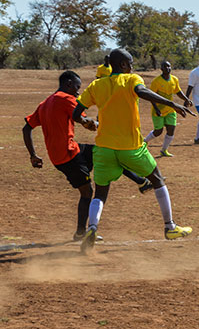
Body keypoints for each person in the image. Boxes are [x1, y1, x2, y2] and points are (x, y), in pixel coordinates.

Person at [72, 48, 195, 251]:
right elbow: (141, 92)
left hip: (103, 147)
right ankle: (169, 227)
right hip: (131, 147)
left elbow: (77, 113)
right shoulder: (131, 80)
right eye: (131, 63)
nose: (133, 66)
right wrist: (171, 104)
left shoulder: (96, 85)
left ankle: (92, 227)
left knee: (100, 193)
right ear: (123, 65)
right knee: (157, 179)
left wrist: (86, 122)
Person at [22, 70, 153, 242]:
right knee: (87, 192)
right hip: (68, 156)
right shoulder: (66, 99)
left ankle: (141, 182)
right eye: (77, 87)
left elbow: (26, 128)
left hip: (66, 151)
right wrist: (103, 124)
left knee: (107, 156)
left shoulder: (45, 103)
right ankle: (80, 233)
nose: (78, 92)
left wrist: (33, 155)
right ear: (68, 84)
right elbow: (84, 121)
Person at [143, 60, 192, 157]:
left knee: (171, 129)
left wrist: (186, 99)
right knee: (158, 131)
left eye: (169, 66)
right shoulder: (156, 81)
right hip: (158, 110)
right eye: (165, 67)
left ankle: (164, 150)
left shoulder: (174, 79)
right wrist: (156, 109)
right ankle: (144, 142)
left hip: (170, 109)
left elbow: (178, 91)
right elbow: (151, 96)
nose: (167, 68)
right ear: (161, 69)